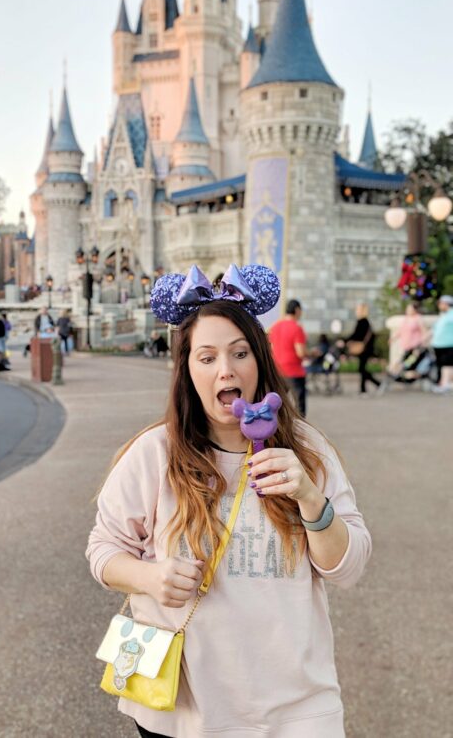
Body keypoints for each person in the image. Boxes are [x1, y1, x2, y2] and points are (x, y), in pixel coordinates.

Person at [86, 264, 371, 738]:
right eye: (207, 357)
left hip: (296, 710)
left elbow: (349, 568)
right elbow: (103, 550)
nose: (226, 369)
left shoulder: (307, 451)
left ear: (259, 361)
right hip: (183, 709)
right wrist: (150, 576)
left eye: (240, 353)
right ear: (186, 369)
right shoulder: (154, 454)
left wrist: (308, 497)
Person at [268, 299, 309, 416]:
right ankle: (300, 432)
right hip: (294, 372)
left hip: (277, 371)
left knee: (278, 405)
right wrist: (311, 353)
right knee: (299, 406)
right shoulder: (297, 328)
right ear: (297, 310)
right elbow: (300, 352)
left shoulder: (275, 327)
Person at [345, 303, 381, 397]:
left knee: (362, 369)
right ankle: (364, 389)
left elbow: (356, 335)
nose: (356, 311)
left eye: (357, 310)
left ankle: (374, 385)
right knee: (362, 369)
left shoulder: (362, 321)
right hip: (366, 349)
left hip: (364, 349)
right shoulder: (366, 322)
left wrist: (345, 340)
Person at [431, 294, 453, 393]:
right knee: (442, 366)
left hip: (449, 344)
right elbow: (434, 329)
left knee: (447, 365)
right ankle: (444, 383)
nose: (439, 305)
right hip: (439, 345)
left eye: (441, 303)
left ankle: (445, 384)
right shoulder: (443, 316)